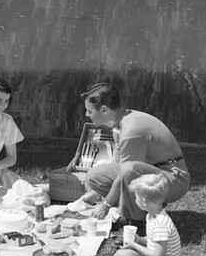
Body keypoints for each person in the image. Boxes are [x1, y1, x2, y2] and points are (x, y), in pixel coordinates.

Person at [79, 82, 191, 231]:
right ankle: (138, 207)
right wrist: (95, 193)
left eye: (89, 111)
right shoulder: (119, 124)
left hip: (174, 180)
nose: (86, 114)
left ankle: (137, 224)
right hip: (154, 173)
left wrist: (105, 205)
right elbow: (119, 167)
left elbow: (126, 172)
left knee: (129, 170)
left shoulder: (131, 130)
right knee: (94, 176)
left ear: (104, 110)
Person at [114, 173, 182, 256]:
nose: (135, 199)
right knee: (121, 254)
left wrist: (134, 245)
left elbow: (158, 255)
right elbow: (152, 240)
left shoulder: (161, 225)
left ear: (144, 202)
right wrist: (139, 239)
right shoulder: (152, 215)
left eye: (136, 197)